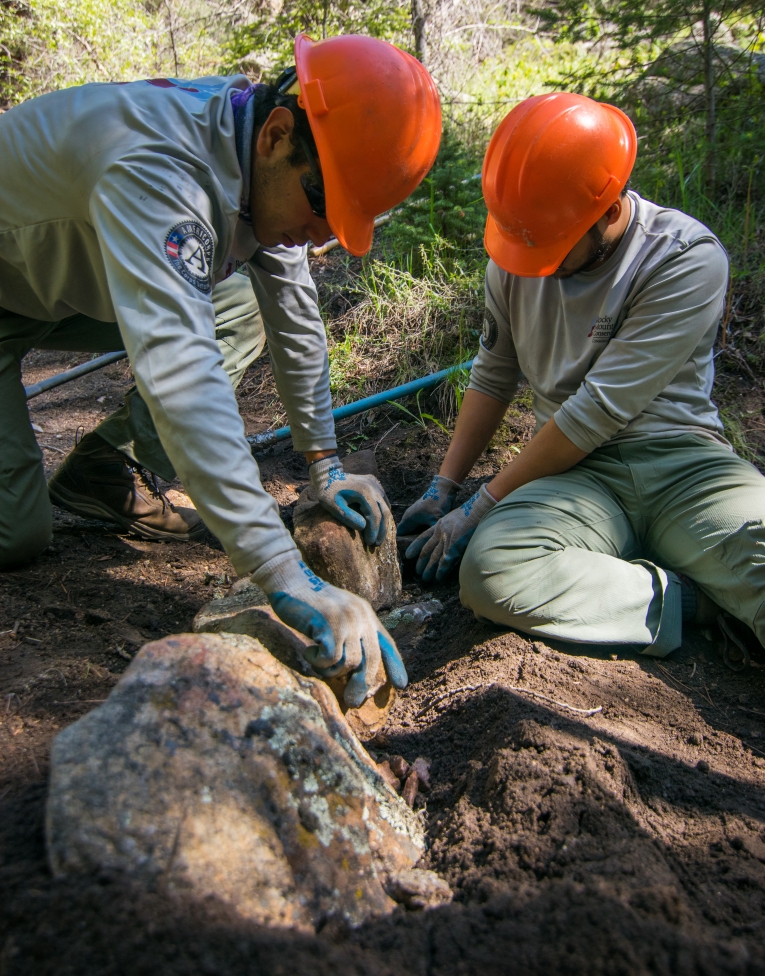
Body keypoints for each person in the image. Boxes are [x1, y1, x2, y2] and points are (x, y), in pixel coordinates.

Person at [0, 32, 442, 706]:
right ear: (275, 134)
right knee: (17, 534)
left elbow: (292, 311)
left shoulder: (257, 140)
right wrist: (285, 576)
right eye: (320, 205)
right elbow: (181, 371)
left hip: (52, 275)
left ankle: (101, 470)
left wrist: (322, 464)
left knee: (238, 295)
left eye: (340, 220)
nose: (321, 235)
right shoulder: (158, 169)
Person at [399, 92, 765, 657]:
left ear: (610, 210)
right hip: (576, 478)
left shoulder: (685, 257)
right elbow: (494, 374)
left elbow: (597, 411)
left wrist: (481, 504)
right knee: (495, 569)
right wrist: (444, 489)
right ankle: (694, 601)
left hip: (683, 467)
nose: (534, 266)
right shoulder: (520, 251)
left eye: (552, 248)